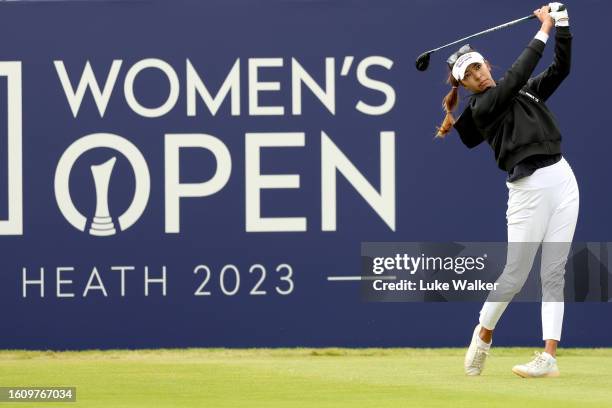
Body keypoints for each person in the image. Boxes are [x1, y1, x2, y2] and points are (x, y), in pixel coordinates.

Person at [435, 3, 578, 377]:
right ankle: (483, 335)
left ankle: (548, 357)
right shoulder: (483, 107)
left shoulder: (527, 93)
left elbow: (561, 68)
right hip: (528, 190)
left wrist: (562, 22)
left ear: (486, 66)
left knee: (554, 272)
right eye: (469, 75)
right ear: (463, 85)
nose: (478, 75)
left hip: (563, 180)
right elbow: (517, 74)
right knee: (515, 274)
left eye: (478, 67)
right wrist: (543, 28)